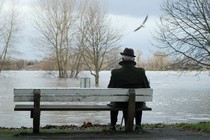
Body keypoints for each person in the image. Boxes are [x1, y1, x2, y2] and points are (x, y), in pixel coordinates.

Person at [107, 48, 150, 131]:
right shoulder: (141, 72)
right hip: (137, 104)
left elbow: (110, 89)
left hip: (119, 103)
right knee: (138, 100)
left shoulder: (115, 72)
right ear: (133, 59)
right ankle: (138, 125)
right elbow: (147, 88)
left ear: (122, 59)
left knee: (114, 101)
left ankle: (113, 125)